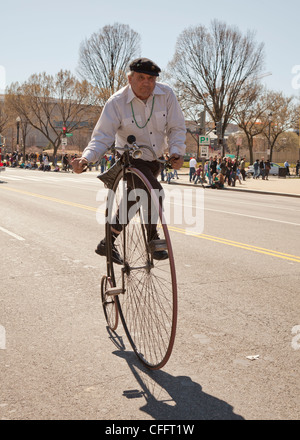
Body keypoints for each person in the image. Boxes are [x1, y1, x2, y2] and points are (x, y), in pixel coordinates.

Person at [72, 57, 186, 263]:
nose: (147, 83)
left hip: (155, 159)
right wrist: (86, 158)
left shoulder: (166, 94)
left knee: (134, 200)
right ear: (130, 78)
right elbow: (102, 137)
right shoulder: (116, 103)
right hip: (130, 158)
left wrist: (177, 152)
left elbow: (176, 127)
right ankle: (153, 240)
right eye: (141, 78)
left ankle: (107, 243)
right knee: (154, 192)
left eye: (151, 79)